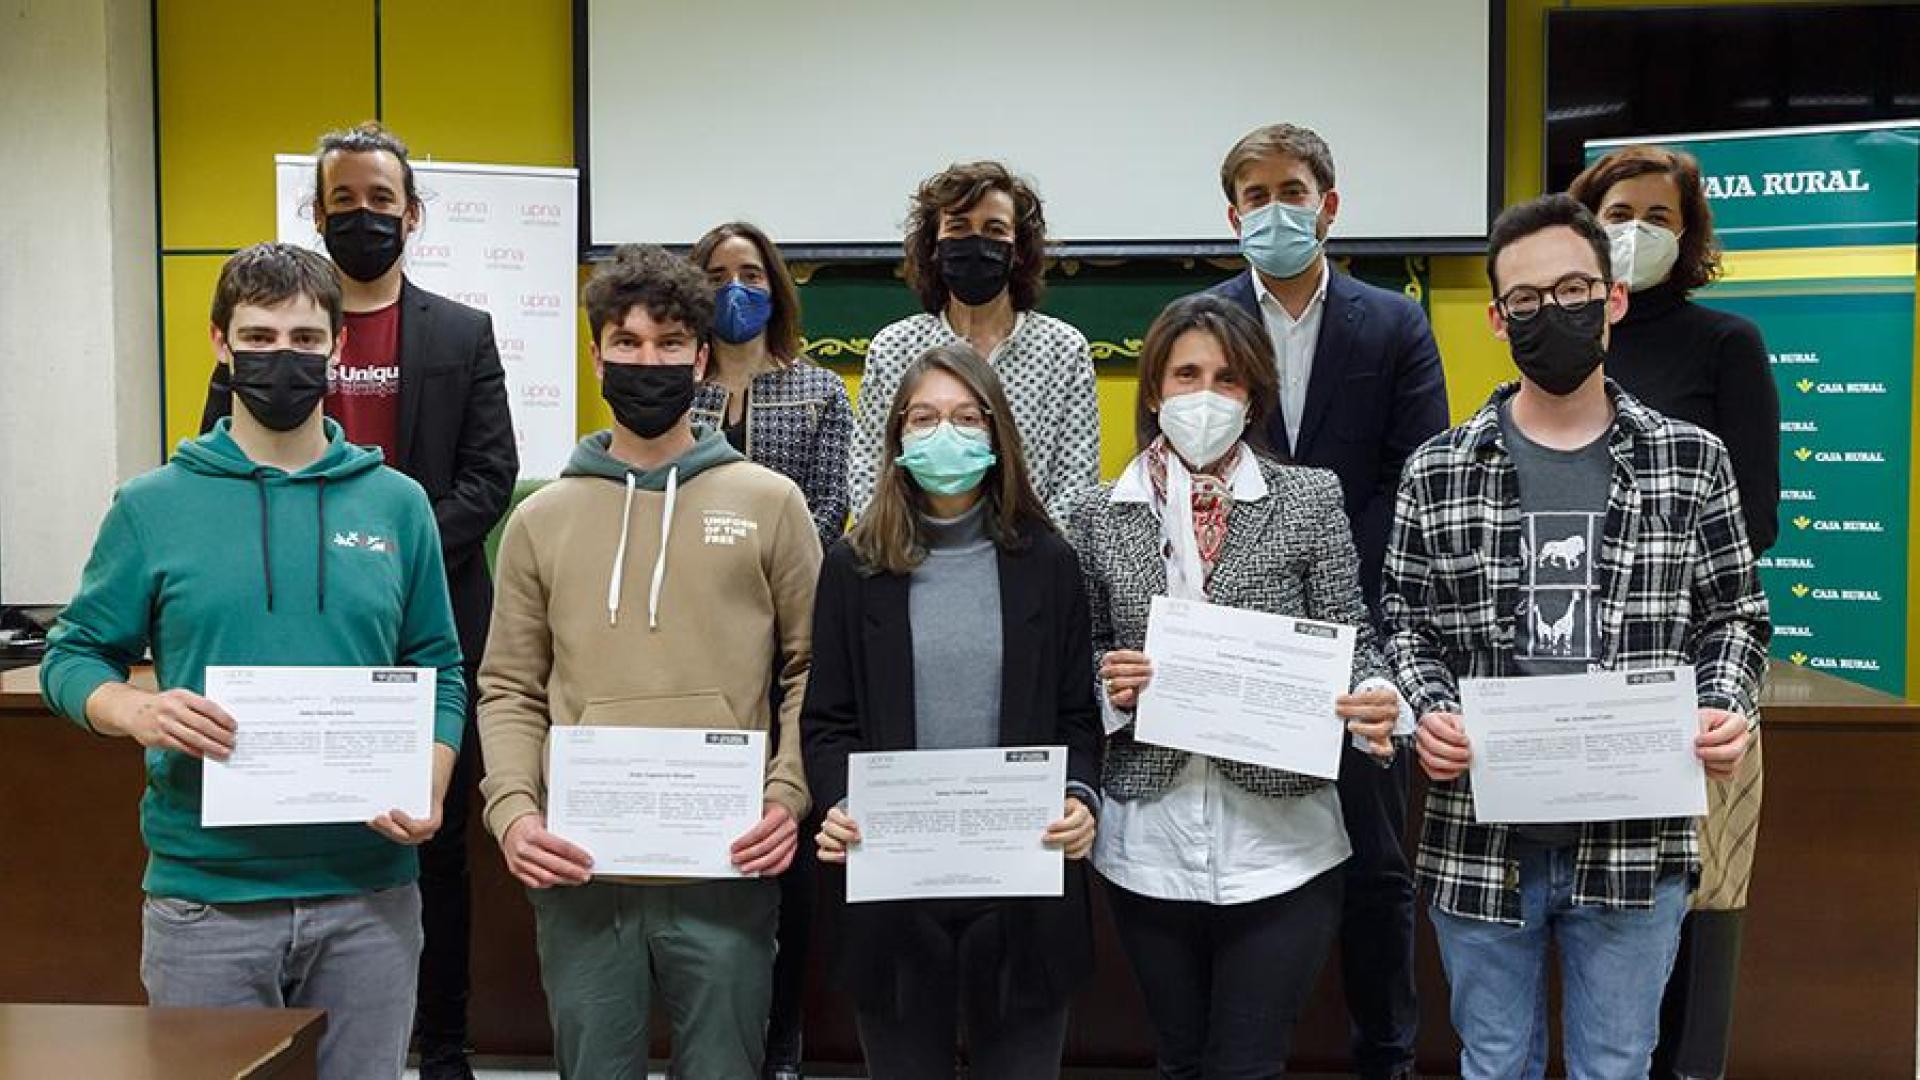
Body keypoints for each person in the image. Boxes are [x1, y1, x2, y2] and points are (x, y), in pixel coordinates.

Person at [41, 243, 468, 1080]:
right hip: (206, 898)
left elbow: (439, 668)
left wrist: (433, 773)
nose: (285, 356)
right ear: (220, 342)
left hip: (369, 895)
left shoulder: (398, 503)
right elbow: (75, 654)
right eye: (261, 335)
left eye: (307, 338)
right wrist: (133, 709)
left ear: (337, 347)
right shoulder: (152, 505)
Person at [1384, 194, 1769, 1080]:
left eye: (1571, 291)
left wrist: (1723, 702)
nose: (1549, 313)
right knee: (1495, 1063)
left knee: (1616, 1064)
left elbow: (1735, 615)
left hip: (1635, 841)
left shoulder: (1691, 458)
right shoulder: (1439, 468)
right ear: (1496, 318)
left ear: (1613, 299)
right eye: (1525, 301)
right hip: (1482, 839)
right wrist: (1428, 712)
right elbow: (1405, 622)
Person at [198, 121, 517, 1080]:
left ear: (412, 213)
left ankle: (444, 1042)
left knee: (435, 841)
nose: (365, 216)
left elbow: (489, 475)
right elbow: (225, 460)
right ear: (318, 213)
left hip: (424, 626)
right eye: (345, 201)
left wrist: (384, 550)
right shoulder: (275, 328)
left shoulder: (463, 332)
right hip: (291, 634)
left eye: (382, 201)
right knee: (316, 830)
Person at [476, 244, 819, 1080]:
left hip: (727, 866)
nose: (647, 360)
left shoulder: (770, 502)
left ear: (702, 358)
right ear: (595, 358)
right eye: (625, 343)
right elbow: (508, 686)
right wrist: (514, 812)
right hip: (581, 872)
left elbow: (812, 669)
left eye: (669, 343)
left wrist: (788, 793)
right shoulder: (540, 517)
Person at [1067, 294, 1404, 1079]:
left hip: (1281, 836)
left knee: (1247, 1063)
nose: (1206, 395)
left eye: (1227, 379)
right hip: (1147, 833)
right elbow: (1073, 657)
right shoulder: (1095, 513)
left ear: (1252, 395)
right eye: (1187, 375)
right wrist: (1112, 683)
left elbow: (1348, 631)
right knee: (1182, 1059)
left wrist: (1379, 696)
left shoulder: (1308, 496)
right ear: (1153, 389)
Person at [1199, 122, 1448, 1080]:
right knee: (1247, 856)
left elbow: (1411, 475)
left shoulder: (1393, 322)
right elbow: (1180, 476)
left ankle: (1386, 1054)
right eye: (1254, 196)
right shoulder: (1202, 318)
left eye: (1291, 190)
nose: (1275, 209)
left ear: (1329, 203)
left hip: (1360, 644)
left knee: (1377, 865)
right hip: (1235, 649)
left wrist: (1342, 610)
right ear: (1232, 216)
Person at [803, 343, 1101, 1080]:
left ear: (998, 436)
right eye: (927, 417)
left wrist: (1081, 799)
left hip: (1023, 885)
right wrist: (840, 802)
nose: (947, 433)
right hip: (895, 889)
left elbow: (1076, 716)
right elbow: (827, 719)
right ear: (898, 436)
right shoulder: (852, 566)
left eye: (968, 418)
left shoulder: (1049, 562)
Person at [1571, 143, 1779, 1080]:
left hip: (1682, 676)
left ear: (1689, 235)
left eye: (1661, 217)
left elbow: (1755, 522)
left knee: (1685, 913)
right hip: (1561, 682)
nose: (1636, 232)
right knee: (1577, 921)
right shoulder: (1561, 338)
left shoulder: (1724, 343)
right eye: (1620, 211)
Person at [689, 221, 851, 1079]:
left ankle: (782, 1041)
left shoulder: (820, 390)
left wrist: (770, 567)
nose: (735, 287)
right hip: (694, 637)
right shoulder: (675, 389)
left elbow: (833, 506)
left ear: (777, 288)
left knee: (783, 849)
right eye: (717, 274)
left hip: (793, 630)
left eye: (751, 273)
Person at [848, 161, 1098, 521]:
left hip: (1029, 565)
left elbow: (1076, 486)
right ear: (934, 245)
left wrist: (1029, 563)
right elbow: (868, 475)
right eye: (959, 227)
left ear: (1020, 250)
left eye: (994, 229)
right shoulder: (893, 348)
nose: (976, 243)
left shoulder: (1064, 349)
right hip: (911, 562)